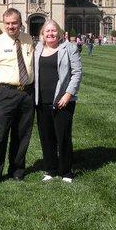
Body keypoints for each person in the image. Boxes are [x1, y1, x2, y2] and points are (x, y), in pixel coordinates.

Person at [0, 8, 35, 189]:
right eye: (8, 23)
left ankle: (17, 171)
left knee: (22, 135)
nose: (11, 26)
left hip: (26, 93)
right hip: (4, 93)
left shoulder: (28, 40)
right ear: (4, 24)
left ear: (21, 23)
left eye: (14, 23)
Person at [34, 19, 82, 183]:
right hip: (41, 101)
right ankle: (50, 169)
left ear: (60, 32)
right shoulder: (38, 48)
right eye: (47, 31)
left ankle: (66, 171)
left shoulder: (69, 47)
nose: (50, 33)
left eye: (53, 30)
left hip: (62, 101)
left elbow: (77, 73)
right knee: (46, 137)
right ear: (42, 34)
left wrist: (68, 94)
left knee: (63, 137)